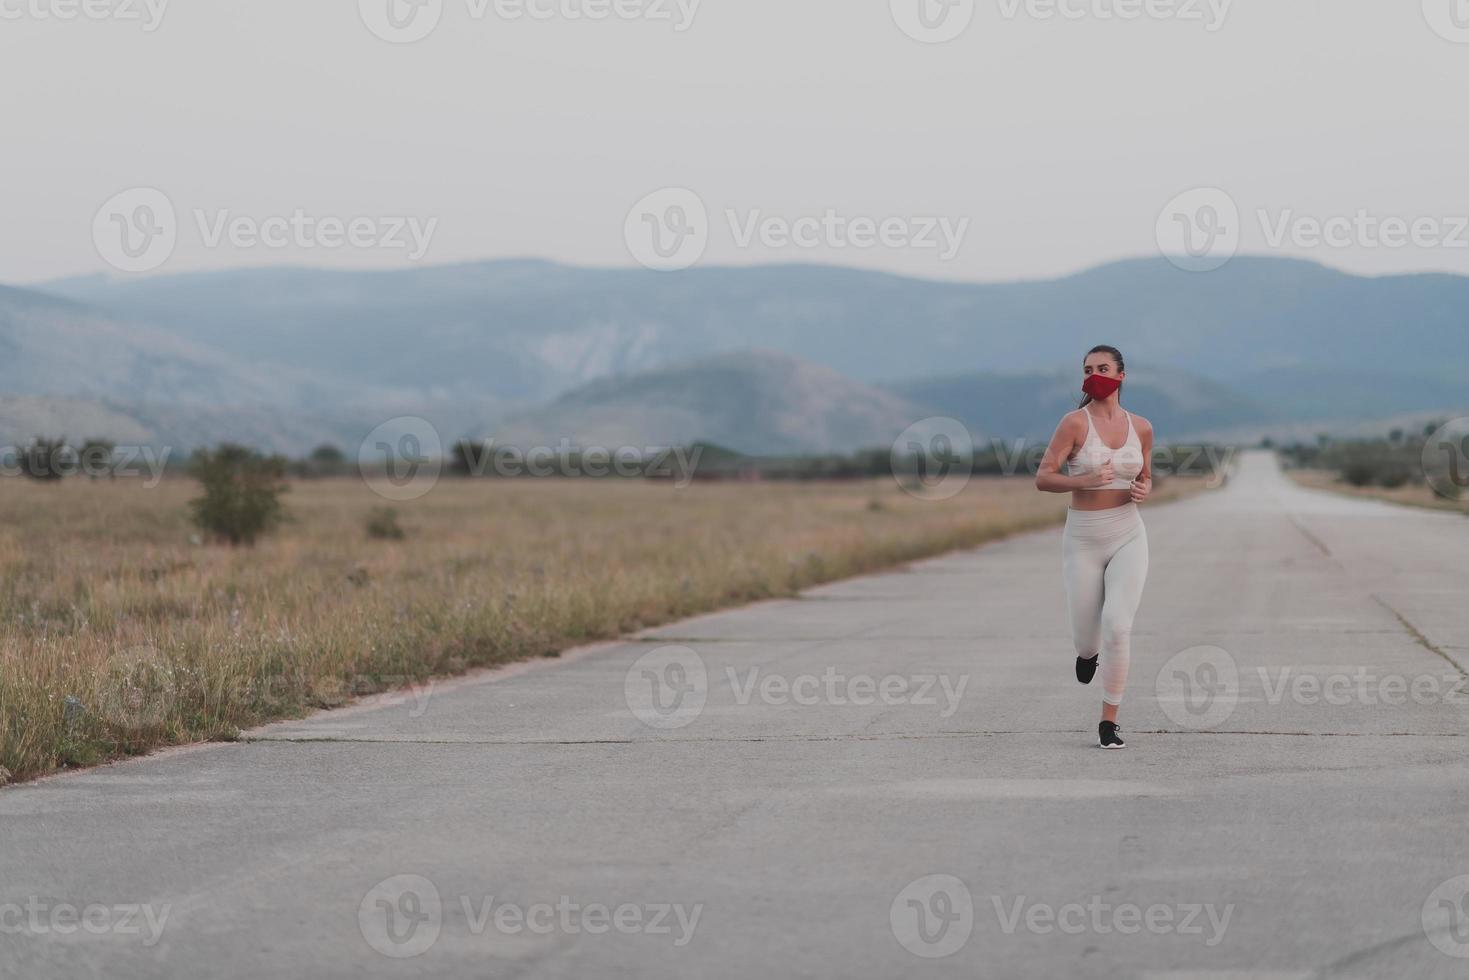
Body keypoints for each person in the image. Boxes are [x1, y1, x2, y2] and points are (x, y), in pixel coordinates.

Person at [1035, 345, 1152, 749]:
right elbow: (1044, 477)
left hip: (1128, 533)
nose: (1094, 375)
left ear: (1121, 375)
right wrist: (1082, 481)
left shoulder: (1142, 427)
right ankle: (1087, 655)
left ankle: (1109, 721)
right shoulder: (1073, 424)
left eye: (1102, 368)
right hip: (1083, 538)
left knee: (1118, 625)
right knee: (1088, 640)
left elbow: (1147, 476)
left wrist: (1143, 488)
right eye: (1087, 369)